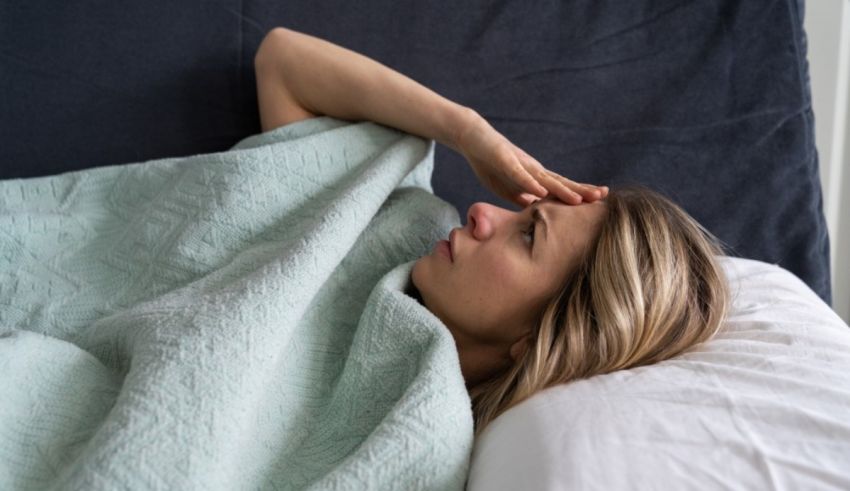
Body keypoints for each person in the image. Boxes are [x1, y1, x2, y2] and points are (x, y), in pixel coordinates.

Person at [254, 27, 730, 435]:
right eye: (522, 213)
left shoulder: (427, 432)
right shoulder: (395, 225)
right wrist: (465, 131)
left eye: (528, 235)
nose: (481, 211)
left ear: (542, 335)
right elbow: (283, 60)